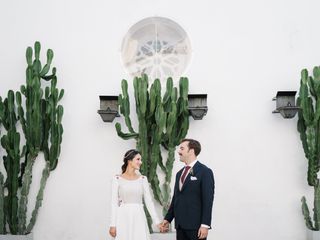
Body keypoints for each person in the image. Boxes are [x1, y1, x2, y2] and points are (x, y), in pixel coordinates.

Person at [160, 138, 215, 240]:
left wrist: (205, 225)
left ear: (191, 151)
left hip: (196, 227)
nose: (178, 151)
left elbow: (208, 200)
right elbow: (176, 198)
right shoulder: (179, 174)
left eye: (182, 148)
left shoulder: (205, 172)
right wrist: (168, 219)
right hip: (180, 225)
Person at [109, 149, 163, 240]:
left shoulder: (142, 179)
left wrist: (157, 222)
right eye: (138, 159)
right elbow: (113, 203)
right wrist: (112, 224)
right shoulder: (117, 179)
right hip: (123, 217)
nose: (140, 162)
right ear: (129, 161)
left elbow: (149, 202)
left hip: (139, 217)